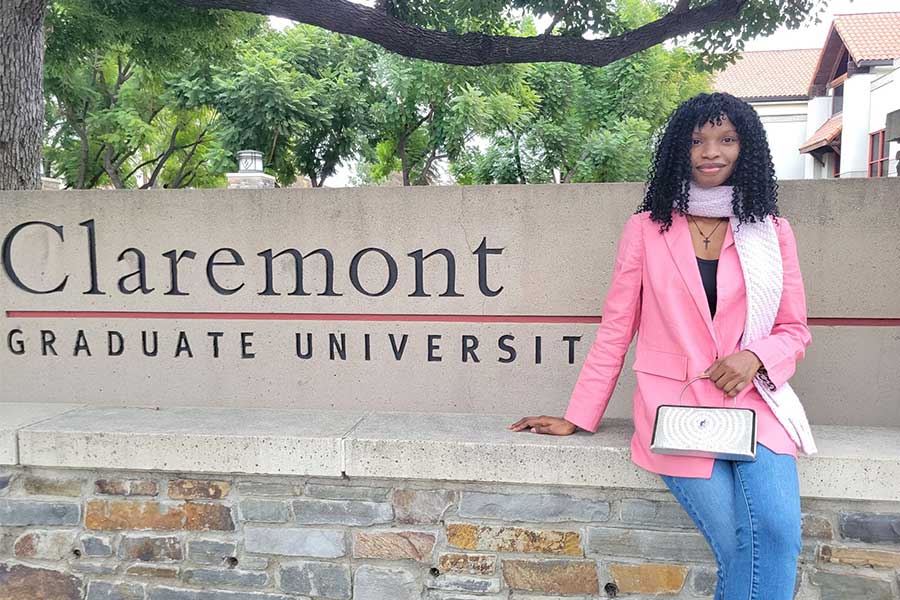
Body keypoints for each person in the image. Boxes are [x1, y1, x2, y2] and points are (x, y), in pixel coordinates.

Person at [509, 92, 816, 600]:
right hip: (675, 411)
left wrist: (755, 356)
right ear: (680, 148)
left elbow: (794, 329)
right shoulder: (648, 228)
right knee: (738, 548)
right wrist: (579, 414)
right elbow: (616, 327)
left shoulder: (772, 232)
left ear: (747, 148)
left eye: (727, 139)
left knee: (779, 535)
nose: (711, 151)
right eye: (698, 140)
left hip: (756, 404)